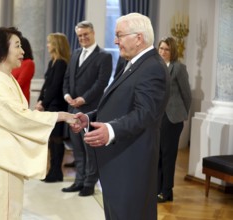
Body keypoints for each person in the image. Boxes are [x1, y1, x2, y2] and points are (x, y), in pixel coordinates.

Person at [70, 13, 170, 219]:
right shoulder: (134, 63)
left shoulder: (153, 67)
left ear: (138, 37)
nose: (115, 41)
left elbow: (145, 113)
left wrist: (111, 130)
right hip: (120, 160)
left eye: (119, 35)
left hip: (132, 164)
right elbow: (119, 105)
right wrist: (90, 118)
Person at [0, 27, 77, 220]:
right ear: (1, 51)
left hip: (7, 157)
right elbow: (19, 118)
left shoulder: (5, 79)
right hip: (1, 160)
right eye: (17, 46)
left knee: (10, 211)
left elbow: (19, 116)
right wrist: (60, 116)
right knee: (2, 212)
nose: (23, 51)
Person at [62, 21, 112, 197]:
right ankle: (79, 180)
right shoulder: (75, 54)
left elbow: (101, 83)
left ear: (93, 33)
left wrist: (83, 99)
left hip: (91, 109)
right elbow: (67, 79)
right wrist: (67, 96)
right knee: (77, 148)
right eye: (80, 35)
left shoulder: (104, 56)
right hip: (72, 109)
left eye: (86, 34)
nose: (83, 38)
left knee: (90, 149)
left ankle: (89, 184)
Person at [157, 37, 192, 203]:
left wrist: (182, 115)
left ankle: (166, 191)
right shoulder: (156, 67)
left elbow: (187, 95)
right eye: (161, 48)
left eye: (167, 49)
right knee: (157, 155)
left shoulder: (178, 68)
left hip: (172, 119)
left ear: (173, 52)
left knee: (168, 156)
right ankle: (157, 189)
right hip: (157, 118)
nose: (163, 52)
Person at [35, 33, 70, 182]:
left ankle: (56, 172)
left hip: (57, 106)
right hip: (50, 105)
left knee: (56, 139)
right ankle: (52, 171)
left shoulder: (61, 63)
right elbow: (46, 85)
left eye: (50, 43)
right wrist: (39, 100)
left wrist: (43, 103)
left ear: (56, 45)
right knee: (50, 140)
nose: (47, 45)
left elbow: (55, 87)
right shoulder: (52, 62)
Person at [11, 36, 35, 104]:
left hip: (20, 100)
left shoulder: (29, 63)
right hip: (10, 99)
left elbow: (19, 83)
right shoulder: (14, 62)